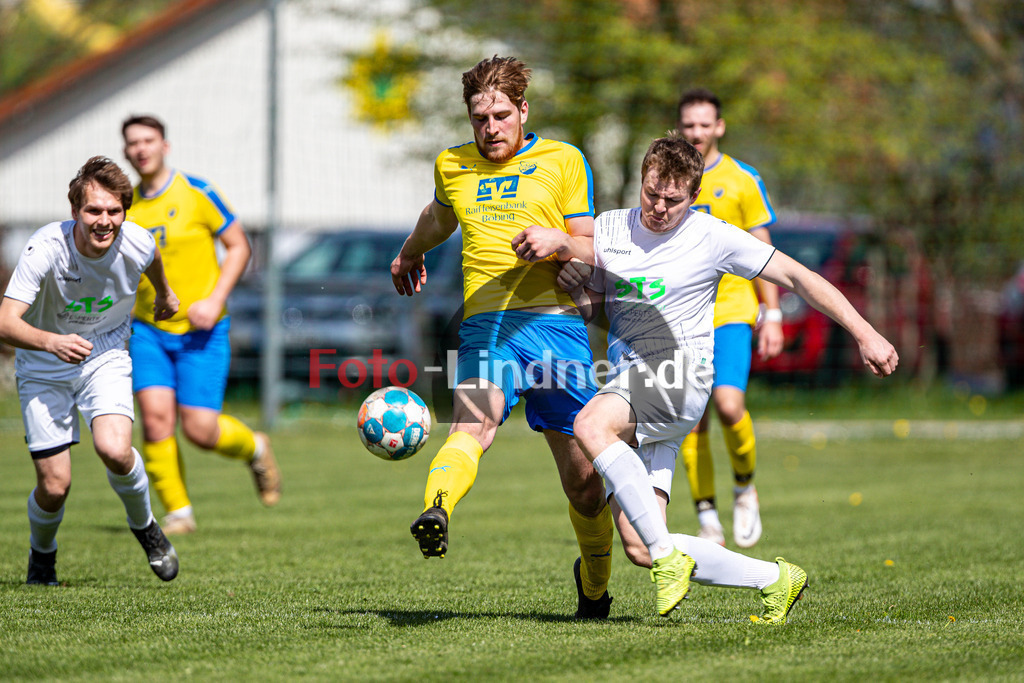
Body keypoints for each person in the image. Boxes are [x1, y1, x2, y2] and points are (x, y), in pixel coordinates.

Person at [561, 134, 898, 620]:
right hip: (632, 385)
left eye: (672, 200)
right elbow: (605, 313)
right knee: (638, 543)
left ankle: (668, 558)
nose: (658, 207)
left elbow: (802, 278)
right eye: (651, 193)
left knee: (591, 425)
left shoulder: (713, 236)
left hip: (679, 377)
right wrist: (579, 292)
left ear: (694, 196)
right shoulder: (611, 230)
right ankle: (776, 579)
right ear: (641, 180)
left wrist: (865, 332)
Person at [390, 56, 614, 619]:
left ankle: (593, 584)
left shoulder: (564, 161)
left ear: (523, 111)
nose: (489, 128)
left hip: (557, 328)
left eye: (499, 115)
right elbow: (440, 216)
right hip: (488, 327)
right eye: (478, 118)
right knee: (473, 422)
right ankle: (437, 510)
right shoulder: (452, 165)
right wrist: (410, 250)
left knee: (585, 484)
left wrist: (557, 242)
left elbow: (591, 246)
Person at [0, 156, 182, 584]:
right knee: (55, 485)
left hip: (105, 353)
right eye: (93, 210)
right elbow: (6, 322)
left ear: (124, 211)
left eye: (114, 211)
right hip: (43, 361)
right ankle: (42, 555)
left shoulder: (137, 242)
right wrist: (51, 341)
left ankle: (148, 529)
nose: (104, 221)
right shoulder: (46, 248)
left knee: (115, 450)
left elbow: (152, 259)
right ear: (75, 212)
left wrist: (165, 295)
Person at [121, 115, 281, 535]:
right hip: (147, 330)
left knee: (200, 430)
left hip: (203, 332)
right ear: (126, 152)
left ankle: (256, 447)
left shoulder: (196, 192)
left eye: (148, 140)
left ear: (164, 146)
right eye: (133, 143)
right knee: (155, 419)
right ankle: (178, 513)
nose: (141, 149)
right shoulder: (125, 206)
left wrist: (215, 300)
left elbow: (239, 246)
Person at [675, 88, 784, 548]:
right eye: (689, 125)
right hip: (679, 315)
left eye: (705, 124)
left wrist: (773, 312)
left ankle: (744, 487)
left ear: (719, 126)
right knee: (690, 418)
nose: (696, 133)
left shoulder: (742, 178)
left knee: (728, 405)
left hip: (733, 310)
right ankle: (706, 516)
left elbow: (765, 253)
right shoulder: (667, 176)